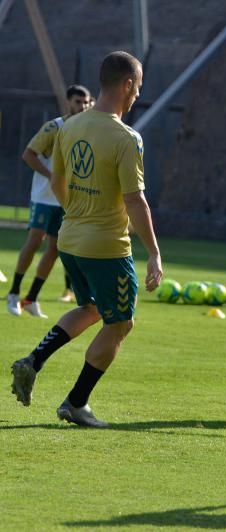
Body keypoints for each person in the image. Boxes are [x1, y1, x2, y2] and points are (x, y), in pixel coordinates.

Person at [10, 51, 163, 428]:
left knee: (93, 308)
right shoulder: (127, 138)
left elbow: (57, 181)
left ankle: (33, 361)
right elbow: (135, 199)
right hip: (107, 247)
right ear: (127, 84)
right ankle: (76, 403)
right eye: (138, 87)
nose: (137, 95)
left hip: (70, 240)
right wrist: (155, 253)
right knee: (121, 323)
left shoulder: (69, 127)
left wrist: (76, 211)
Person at [7, 85, 92, 317]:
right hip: (44, 197)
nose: (82, 106)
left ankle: (31, 298)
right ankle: (13, 293)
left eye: (85, 102)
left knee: (55, 249)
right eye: (77, 102)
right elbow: (28, 154)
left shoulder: (88, 130)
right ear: (68, 103)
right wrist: (52, 176)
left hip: (66, 200)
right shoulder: (55, 127)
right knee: (34, 241)